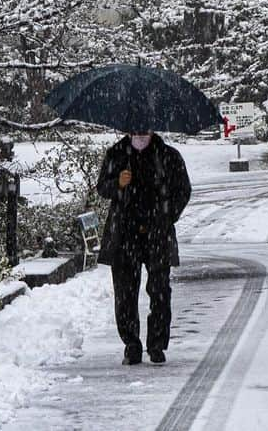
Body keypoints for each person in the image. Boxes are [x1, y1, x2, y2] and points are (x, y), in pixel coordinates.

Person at [96, 130, 192, 365]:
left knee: (160, 291)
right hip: (124, 233)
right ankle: (131, 344)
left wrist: (167, 216)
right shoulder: (117, 154)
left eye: (144, 129)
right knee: (125, 292)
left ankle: (157, 345)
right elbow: (102, 188)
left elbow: (183, 190)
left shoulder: (168, 156)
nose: (139, 134)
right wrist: (118, 183)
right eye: (135, 129)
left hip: (157, 234)